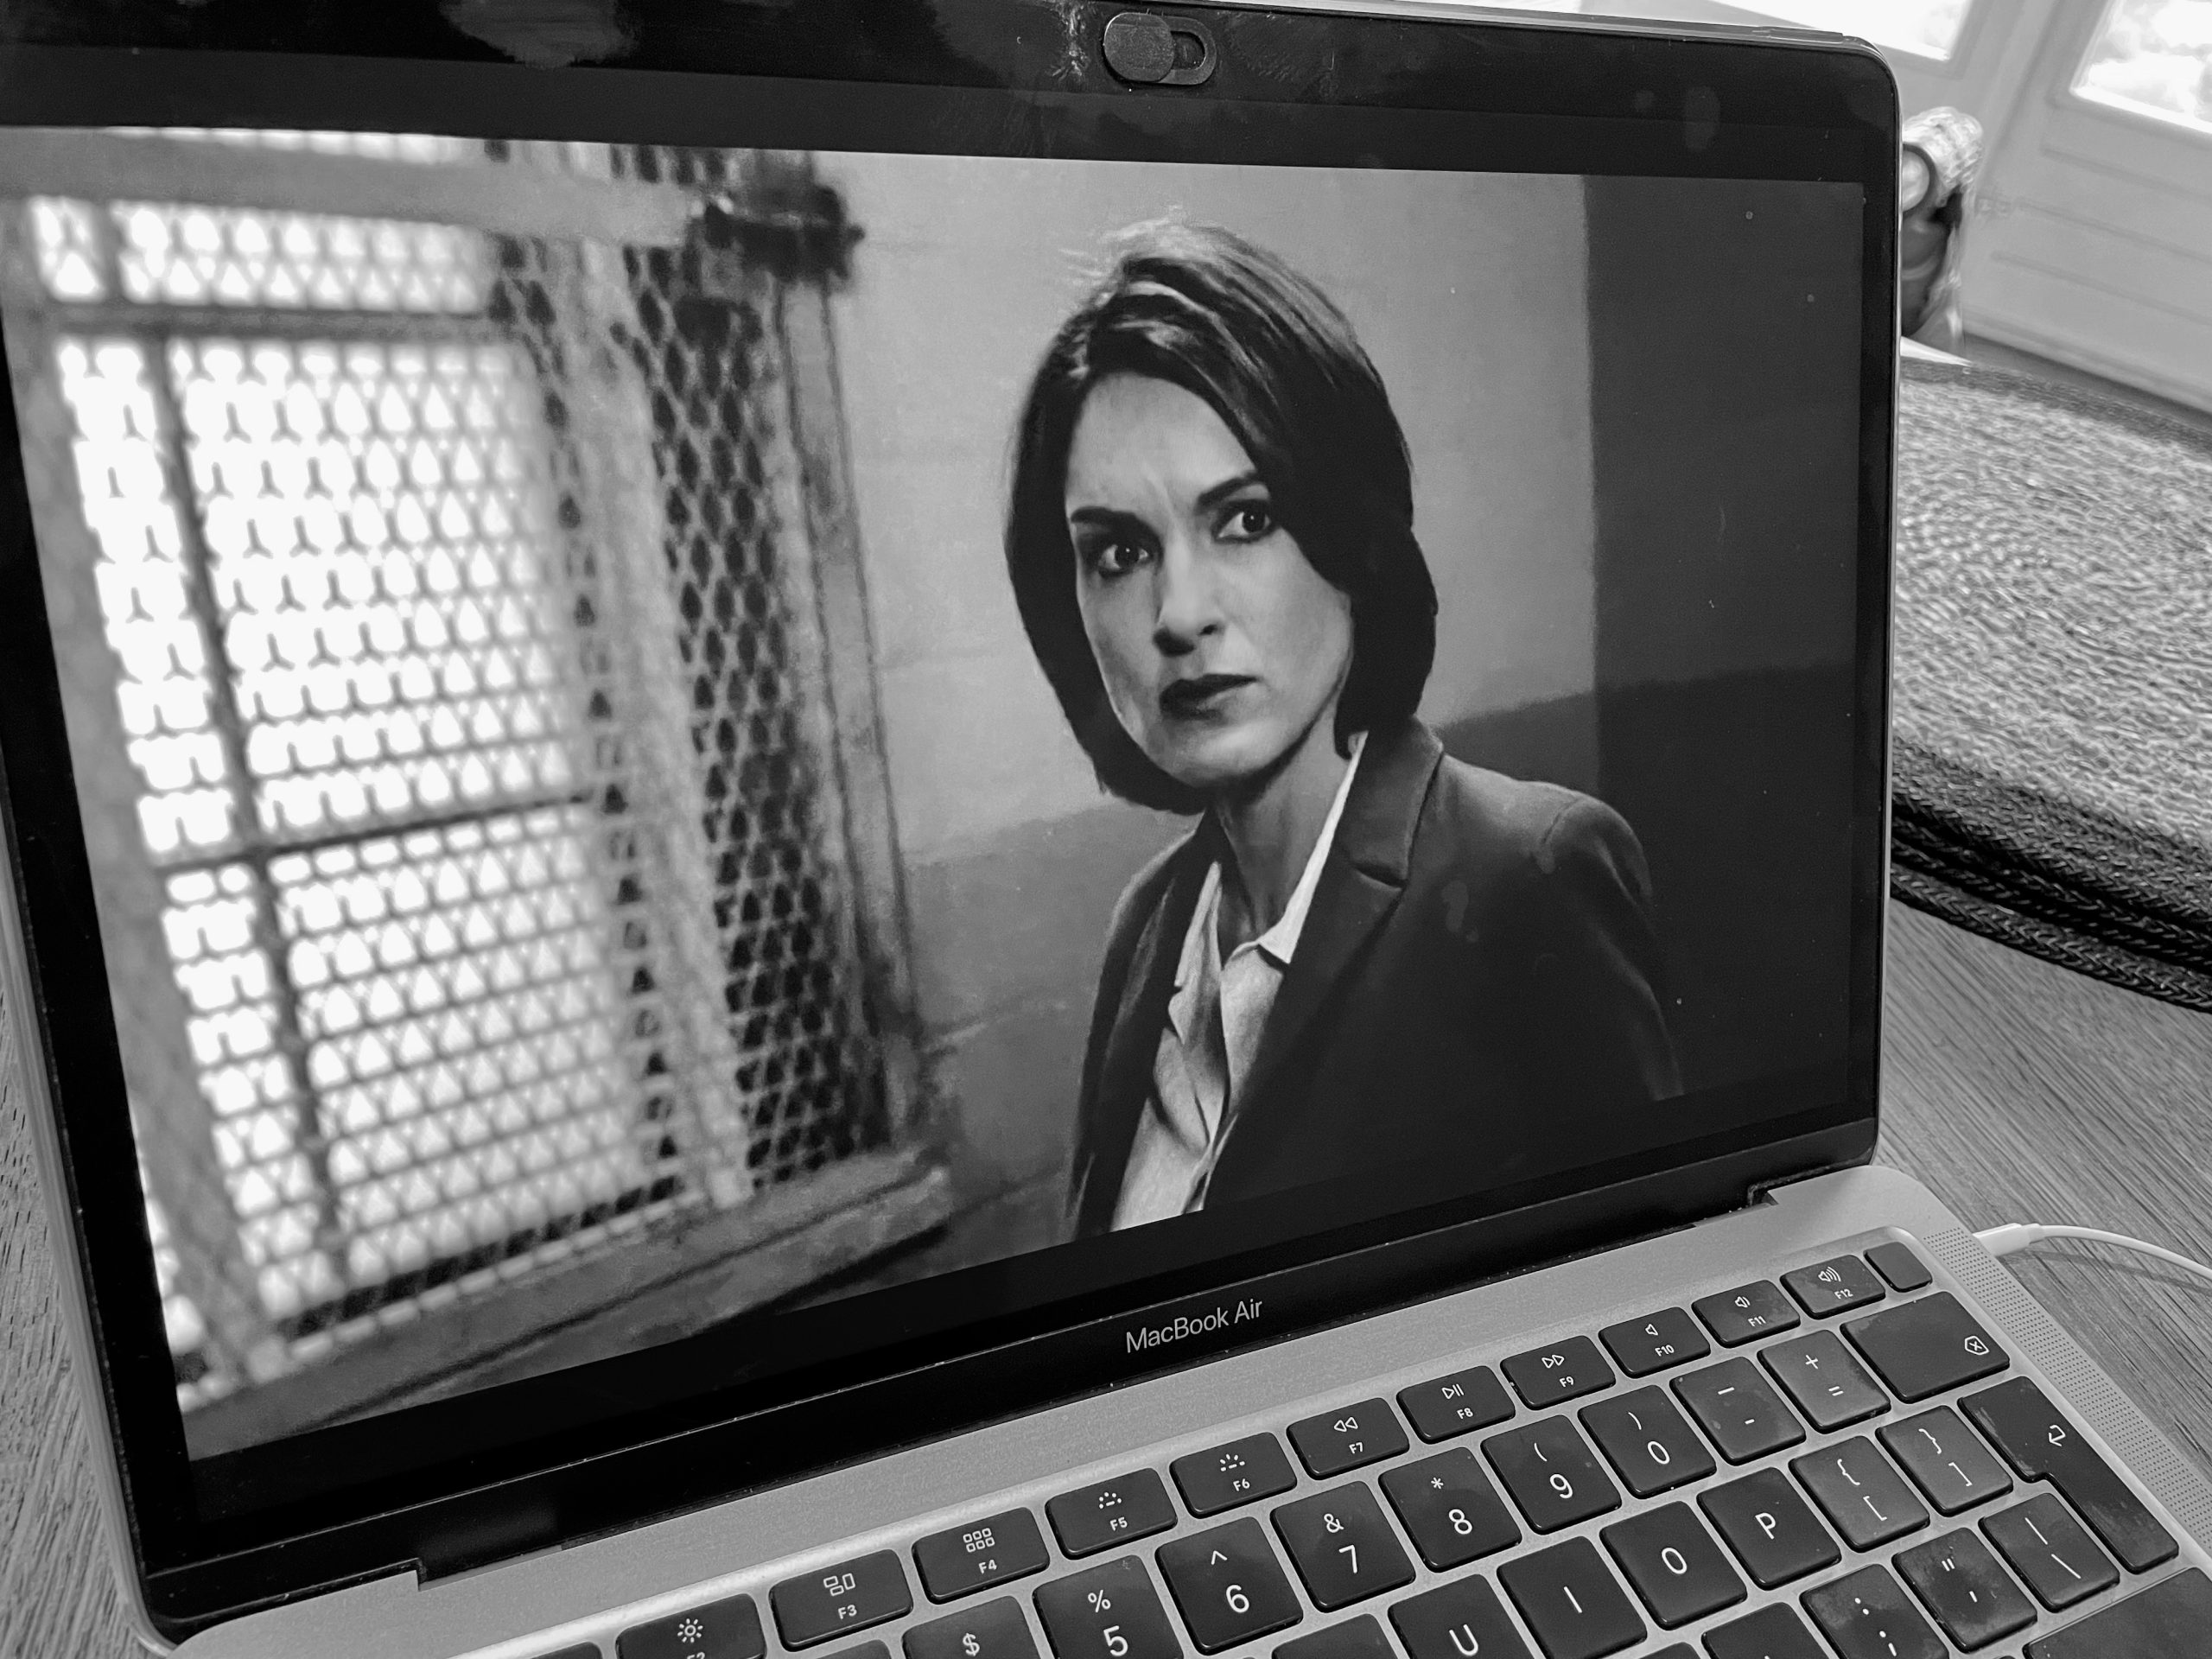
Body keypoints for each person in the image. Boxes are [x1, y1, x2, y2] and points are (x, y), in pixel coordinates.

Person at [1002, 220, 1681, 1240]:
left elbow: (1645, 1274)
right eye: (1119, 553)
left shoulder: (1530, 876)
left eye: (1245, 520)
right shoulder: (1146, 926)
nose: (1178, 614)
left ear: (1353, 544)